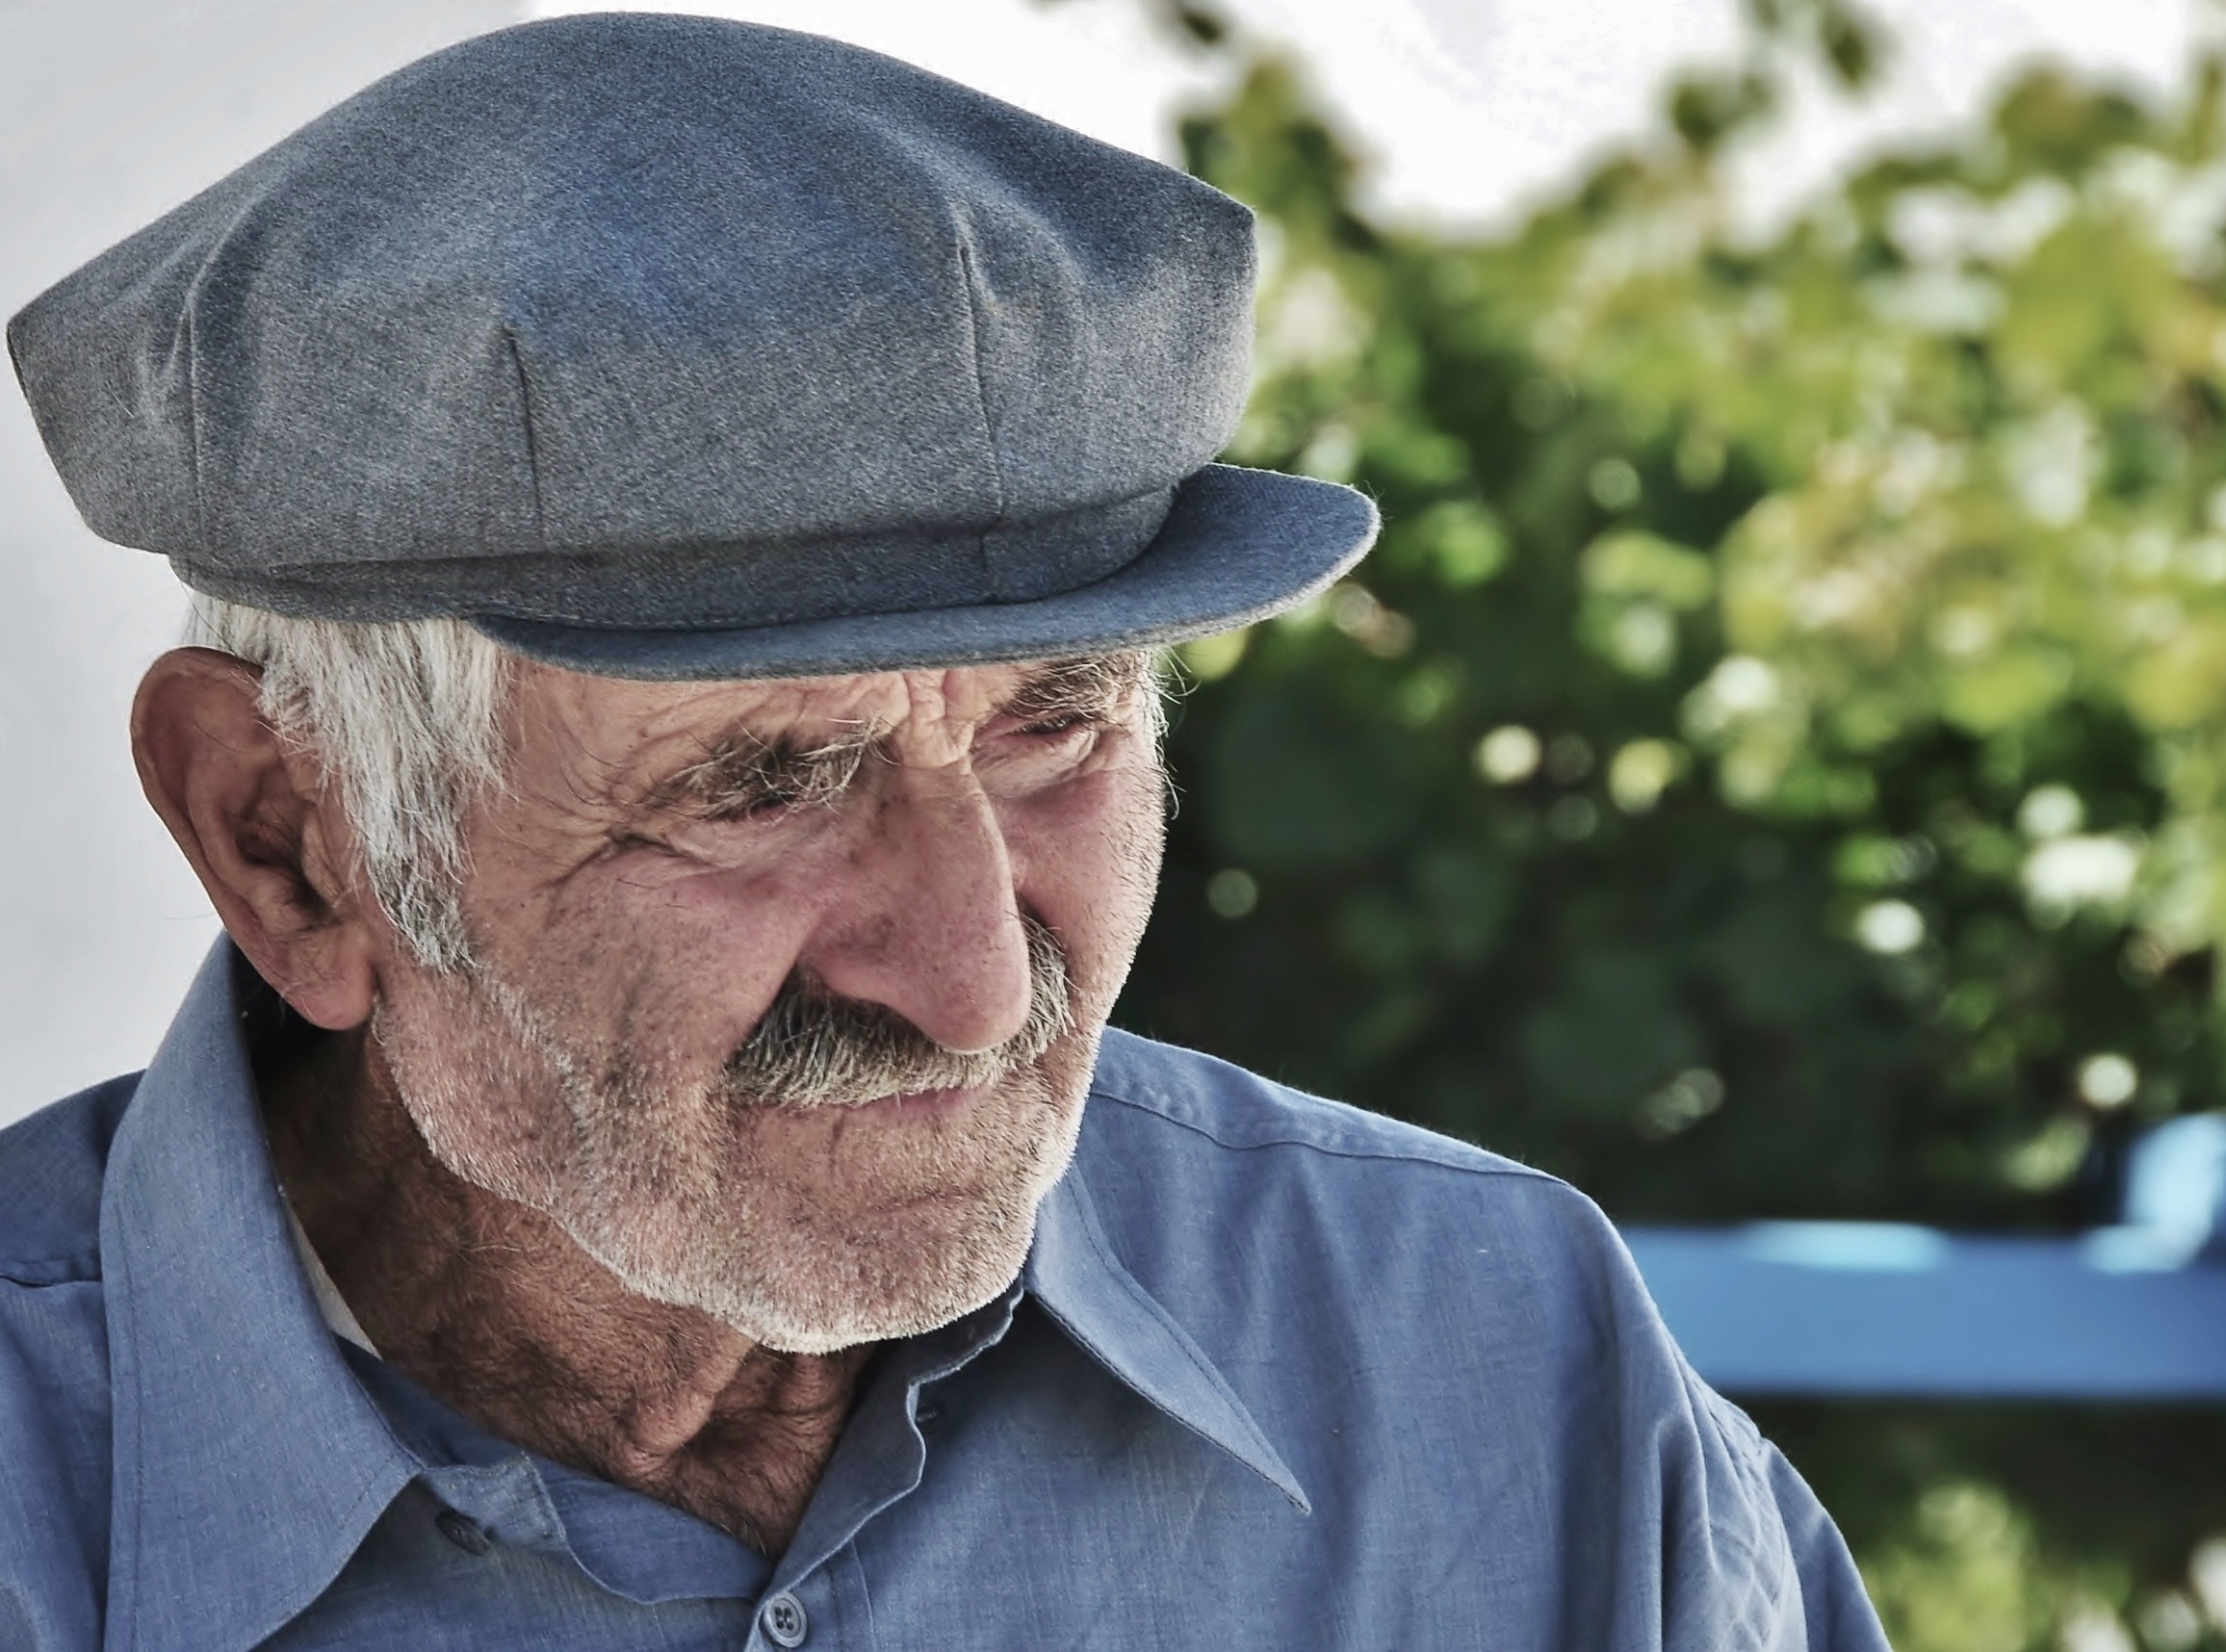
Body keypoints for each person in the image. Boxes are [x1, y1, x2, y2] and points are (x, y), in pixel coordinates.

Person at [0, 14, 1889, 1650]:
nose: (978, 984)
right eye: (757, 784)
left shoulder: (1488, 1364)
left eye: (1058, 722)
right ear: (286, 843)